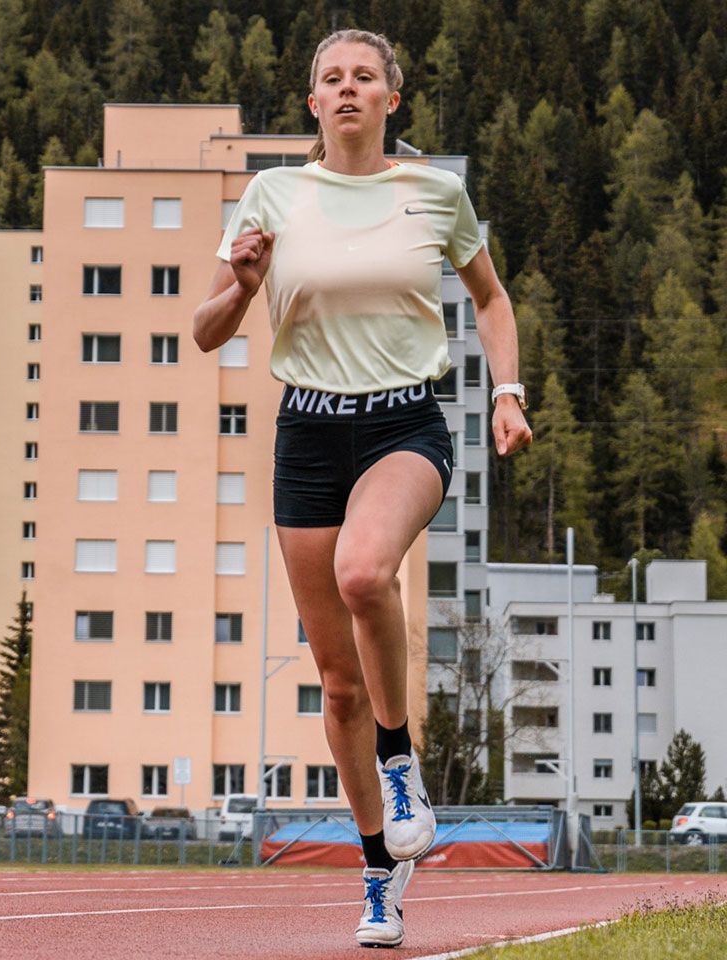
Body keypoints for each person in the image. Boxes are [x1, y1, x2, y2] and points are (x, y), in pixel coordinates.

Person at [194, 28, 532, 949]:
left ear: (391, 97)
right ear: (313, 105)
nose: (347, 90)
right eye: (330, 79)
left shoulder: (433, 192)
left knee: (363, 573)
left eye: (364, 77)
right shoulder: (272, 195)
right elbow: (206, 328)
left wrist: (507, 391)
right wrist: (245, 285)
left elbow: (491, 299)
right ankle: (381, 873)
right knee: (336, 687)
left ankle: (399, 758)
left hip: (405, 424)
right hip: (305, 429)